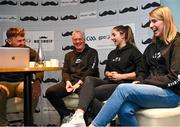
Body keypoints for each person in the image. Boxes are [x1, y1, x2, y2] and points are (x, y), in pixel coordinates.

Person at [89, 6, 180, 127]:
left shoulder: (177, 43)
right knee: (124, 110)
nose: (150, 25)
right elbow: (142, 71)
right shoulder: (151, 47)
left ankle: (95, 125)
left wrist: (146, 82)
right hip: (152, 90)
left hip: (171, 94)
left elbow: (175, 78)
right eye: (150, 21)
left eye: (154, 21)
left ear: (166, 20)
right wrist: (140, 81)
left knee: (122, 88)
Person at [61, 25, 142, 127]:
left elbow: (140, 73)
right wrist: (108, 73)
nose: (111, 38)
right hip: (109, 81)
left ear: (123, 35)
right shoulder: (112, 53)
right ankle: (84, 115)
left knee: (88, 93)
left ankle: (100, 114)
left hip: (122, 85)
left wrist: (121, 76)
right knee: (88, 80)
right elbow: (106, 71)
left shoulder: (133, 51)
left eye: (113, 35)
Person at [45, 30, 99, 124]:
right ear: (72, 41)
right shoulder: (68, 55)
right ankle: (67, 115)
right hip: (71, 82)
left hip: (85, 83)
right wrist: (67, 82)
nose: (77, 42)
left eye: (80, 39)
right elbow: (65, 71)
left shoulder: (92, 52)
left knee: (88, 98)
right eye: (75, 40)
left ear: (84, 39)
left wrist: (79, 83)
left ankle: (86, 121)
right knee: (50, 92)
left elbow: (91, 71)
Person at [0, 27, 42, 125]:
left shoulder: (29, 51)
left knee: (32, 90)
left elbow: (39, 68)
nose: (22, 43)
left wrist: (37, 82)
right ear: (9, 41)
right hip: (4, 84)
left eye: (23, 40)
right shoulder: (1, 52)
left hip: (23, 83)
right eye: (19, 41)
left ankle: (27, 122)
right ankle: (2, 124)